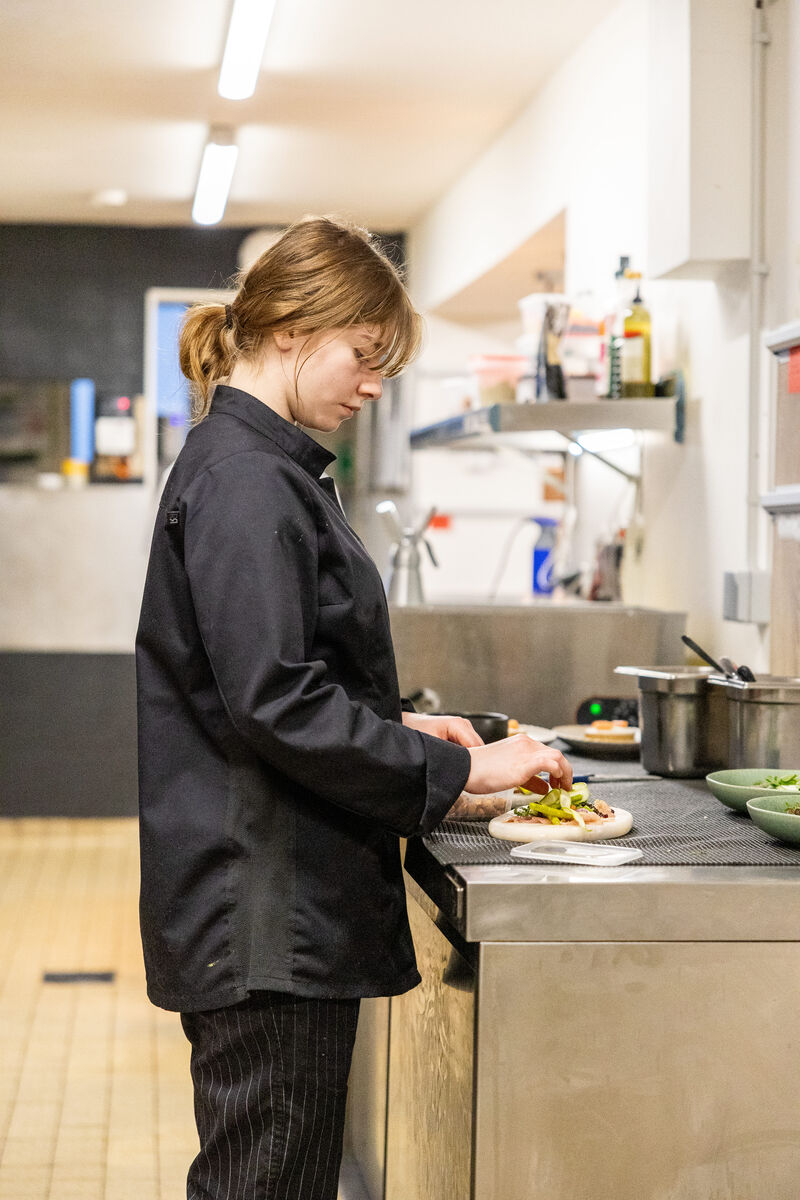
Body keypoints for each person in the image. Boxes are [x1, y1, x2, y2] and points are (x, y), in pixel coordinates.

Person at [136, 215, 572, 1200]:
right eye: (364, 355)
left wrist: (405, 731)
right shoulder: (249, 479)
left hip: (264, 895)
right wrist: (464, 771)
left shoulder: (260, 467)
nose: (373, 384)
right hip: (264, 911)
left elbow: (267, 682)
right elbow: (277, 703)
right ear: (291, 327)